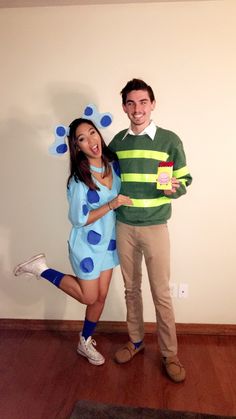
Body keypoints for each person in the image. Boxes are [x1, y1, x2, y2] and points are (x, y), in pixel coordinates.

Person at [14, 117, 132, 366]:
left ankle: (85, 341)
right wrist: (111, 204)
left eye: (92, 133)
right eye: (82, 138)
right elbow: (80, 219)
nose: (91, 141)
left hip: (109, 244)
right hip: (86, 246)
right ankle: (41, 269)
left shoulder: (114, 165)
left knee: (100, 298)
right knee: (89, 298)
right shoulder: (79, 181)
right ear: (77, 147)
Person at [109, 79, 192, 382]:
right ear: (124, 108)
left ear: (152, 104)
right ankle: (136, 341)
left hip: (156, 226)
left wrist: (175, 188)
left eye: (143, 102)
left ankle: (170, 354)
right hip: (124, 226)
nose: (137, 109)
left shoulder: (169, 140)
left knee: (161, 293)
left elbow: (185, 179)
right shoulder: (117, 142)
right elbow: (106, 178)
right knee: (132, 290)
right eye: (130, 103)